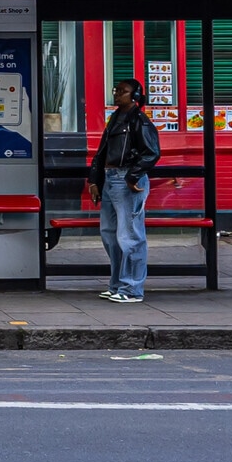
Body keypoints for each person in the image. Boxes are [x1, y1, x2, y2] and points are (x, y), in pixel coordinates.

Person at [85, 77, 160, 303]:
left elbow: (151, 152)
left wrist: (133, 176)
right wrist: (94, 181)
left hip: (125, 179)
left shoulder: (139, 121)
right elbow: (102, 152)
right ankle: (117, 284)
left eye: (122, 91)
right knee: (110, 234)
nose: (117, 94)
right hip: (111, 179)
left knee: (130, 236)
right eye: (116, 90)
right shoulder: (116, 118)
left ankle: (132, 288)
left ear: (135, 96)